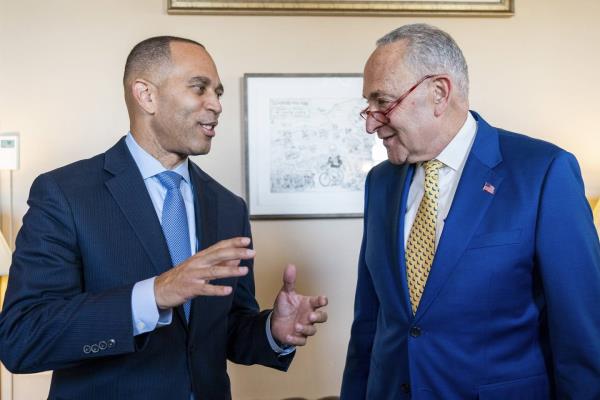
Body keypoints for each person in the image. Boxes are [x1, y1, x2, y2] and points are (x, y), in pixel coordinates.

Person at [0, 36, 328, 400]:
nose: (217, 105)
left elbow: (228, 328)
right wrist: (153, 295)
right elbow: (23, 339)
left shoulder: (228, 206)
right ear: (146, 95)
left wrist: (271, 330)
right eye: (199, 88)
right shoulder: (64, 194)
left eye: (218, 93)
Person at [341, 24, 600, 399]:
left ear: (439, 93)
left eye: (384, 102)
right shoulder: (380, 182)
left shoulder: (544, 173)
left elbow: (581, 336)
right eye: (368, 105)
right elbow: (369, 322)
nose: (370, 122)